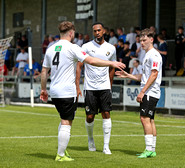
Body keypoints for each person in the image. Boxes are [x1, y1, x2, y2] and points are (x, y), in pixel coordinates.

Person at [40, 21, 125, 162]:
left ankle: (63, 150)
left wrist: (43, 89)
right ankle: (60, 155)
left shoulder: (51, 48)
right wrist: (111, 63)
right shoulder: (73, 48)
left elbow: (44, 71)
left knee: (63, 120)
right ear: (71, 33)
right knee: (67, 122)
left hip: (54, 91)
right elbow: (90, 61)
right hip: (67, 91)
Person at [115, 28, 162, 158]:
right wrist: (128, 75)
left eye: (144, 40)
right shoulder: (147, 55)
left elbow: (154, 75)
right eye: (140, 40)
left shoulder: (154, 54)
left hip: (150, 92)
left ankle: (148, 149)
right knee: (150, 120)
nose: (141, 43)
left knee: (144, 118)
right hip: (150, 91)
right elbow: (144, 76)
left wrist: (142, 92)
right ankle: (151, 149)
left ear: (151, 40)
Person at [76, 22, 116, 155]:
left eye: (99, 30)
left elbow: (112, 67)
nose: (97, 33)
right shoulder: (86, 47)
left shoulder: (111, 48)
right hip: (90, 87)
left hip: (104, 87)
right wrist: (77, 85)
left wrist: (109, 85)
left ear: (104, 31)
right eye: (94, 31)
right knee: (90, 116)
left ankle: (106, 146)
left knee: (106, 114)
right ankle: (90, 139)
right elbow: (79, 66)